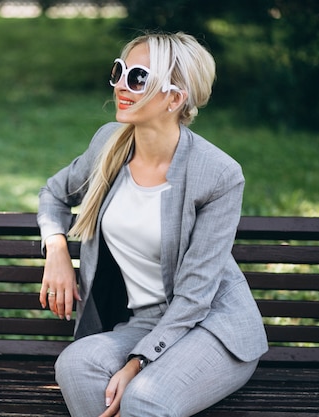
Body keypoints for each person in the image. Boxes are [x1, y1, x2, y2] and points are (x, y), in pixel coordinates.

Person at [36, 32, 268, 417]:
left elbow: (195, 296)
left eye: (138, 77)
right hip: (143, 321)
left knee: (145, 397)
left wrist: (136, 363)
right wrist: (57, 248)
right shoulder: (110, 144)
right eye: (119, 71)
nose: (121, 86)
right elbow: (54, 193)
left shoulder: (218, 175)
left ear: (174, 99)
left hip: (211, 328)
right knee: (74, 366)